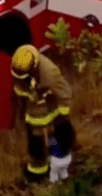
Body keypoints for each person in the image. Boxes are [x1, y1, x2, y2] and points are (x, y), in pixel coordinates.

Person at [11, 44, 75, 183]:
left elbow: (65, 93)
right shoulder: (20, 65)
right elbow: (20, 89)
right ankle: (37, 171)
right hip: (34, 110)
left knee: (61, 135)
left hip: (52, 107)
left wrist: (62, 116)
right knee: (35, 141)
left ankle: (63, 159)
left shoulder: (49, 74)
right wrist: (22, 111)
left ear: (34, 67)